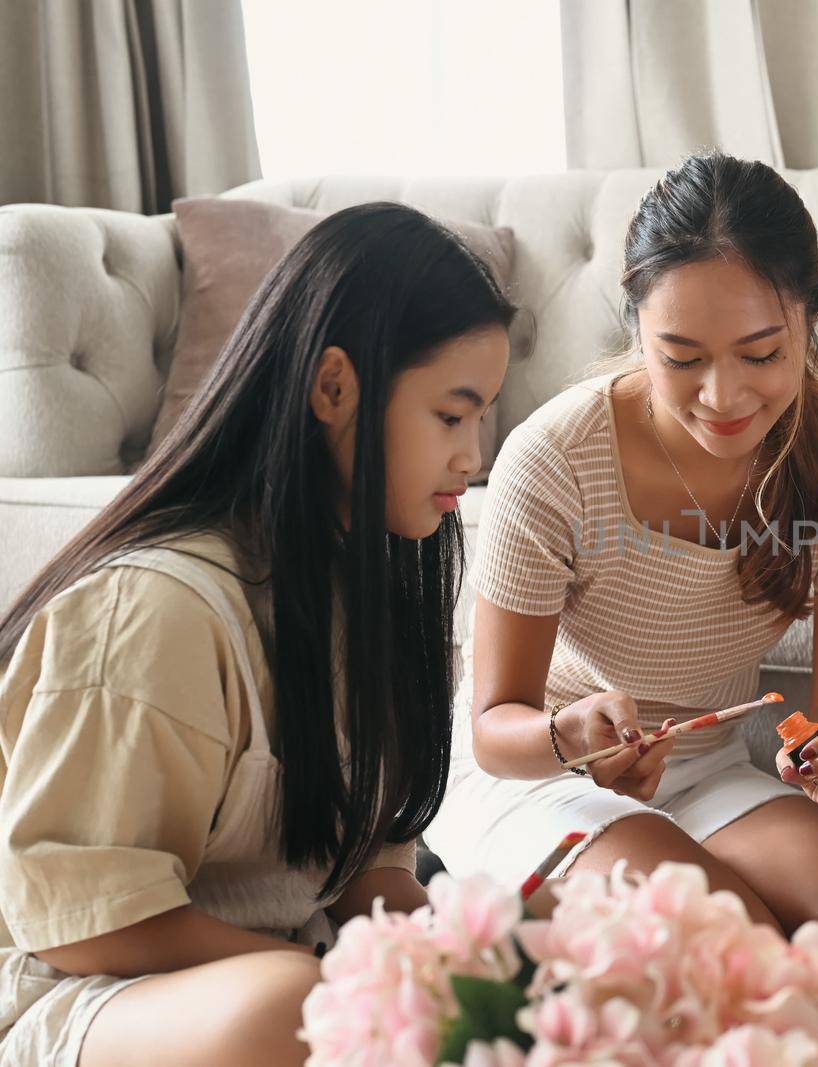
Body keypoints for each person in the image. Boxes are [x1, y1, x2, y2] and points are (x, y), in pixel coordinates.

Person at [0, 203, 513, 1067]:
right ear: (333, 387)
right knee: (306, 1009)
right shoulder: (157, 609)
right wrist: (345, 984)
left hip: (268, 969)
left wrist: (474, 973)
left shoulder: (373, 593)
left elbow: (369, 871)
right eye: (451, 416)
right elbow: (87, 923)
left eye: (482, 419)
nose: (473, 455)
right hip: (74, 992)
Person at [426, 151, 818, 969]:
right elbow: (492, 727)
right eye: (681, 357)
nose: (723, 397)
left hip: (702, 765)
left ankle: (605, 920)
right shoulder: (554, 456)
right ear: (636, 332)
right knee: (730, 951)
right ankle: (536, 913)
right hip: (540, 771)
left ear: (811, 321)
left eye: (761, 354)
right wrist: (574, 735)